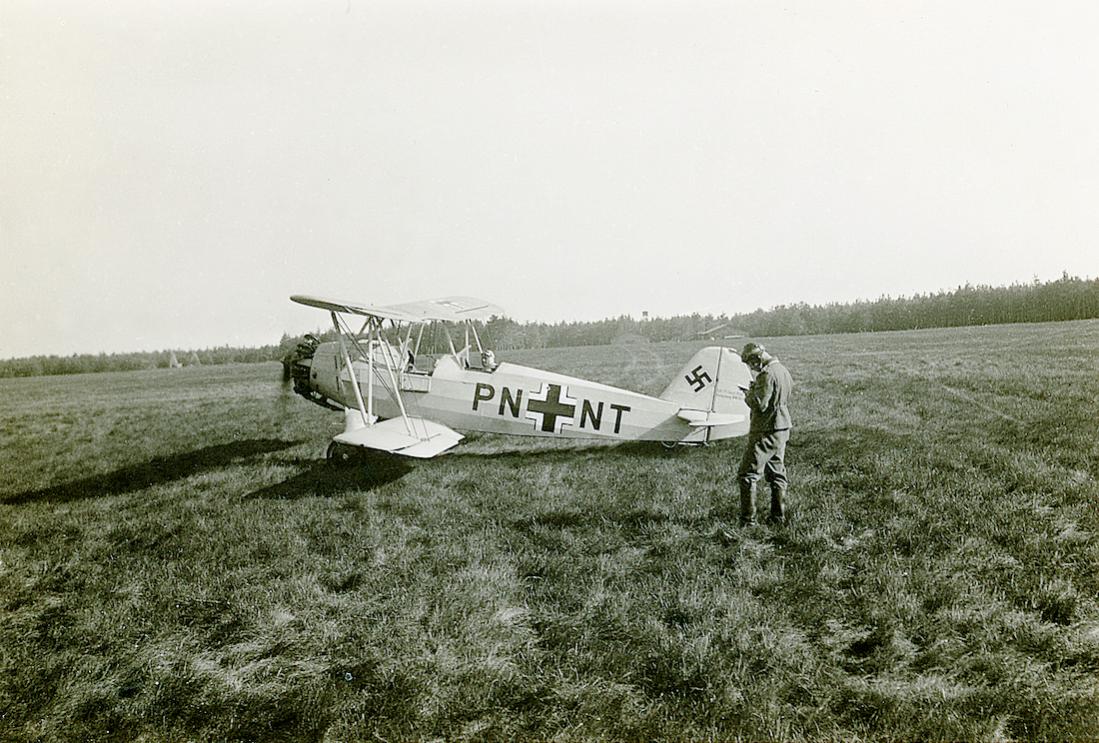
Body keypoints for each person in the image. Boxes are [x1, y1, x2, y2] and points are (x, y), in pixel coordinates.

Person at [736, 342, 793, 526]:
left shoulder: (766, 374)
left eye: (751, 364)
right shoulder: (782, 370)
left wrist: (749, 393)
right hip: (782, 427)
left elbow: (760, 404)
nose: (751, 368)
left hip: (765, 429)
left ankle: (748, 521)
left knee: (747, 474)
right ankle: (778, 517)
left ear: (758, 358)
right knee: (777, 473)